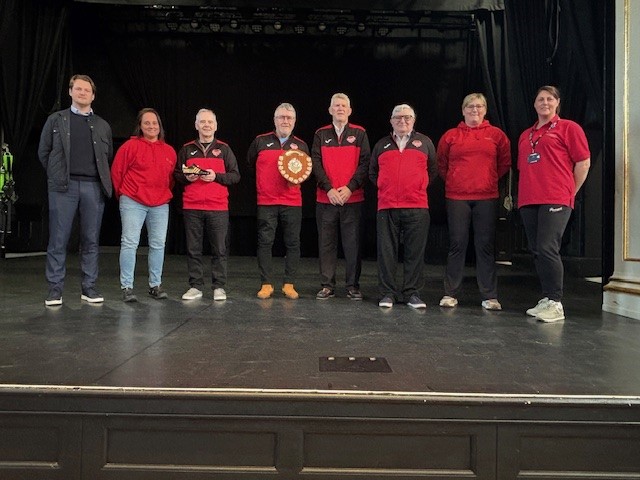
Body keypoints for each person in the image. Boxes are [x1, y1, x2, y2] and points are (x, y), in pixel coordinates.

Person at [38, 74, 113, 306]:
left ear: (93, 95)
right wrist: (56, 174)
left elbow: (107, 156)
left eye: (86, 90)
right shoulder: (56, 120)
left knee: (90, 239)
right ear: (70, 92)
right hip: (63, 186)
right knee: (58, 239)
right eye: (78, 89)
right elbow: (44, 152)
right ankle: (54, 290)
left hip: (92, 187)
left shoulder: (102, 125)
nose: (82, 93)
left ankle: (89, 288)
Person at [518, 85, 590, 322]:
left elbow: (583, 163)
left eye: (550, 99)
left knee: (548, 247)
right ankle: (547, 298)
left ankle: (556, 303)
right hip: (529, 198)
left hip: (555, 197)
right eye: (540, 99)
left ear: (557, 103)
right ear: (534, 104)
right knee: (538, 249)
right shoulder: (526, 134)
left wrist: (569, 191)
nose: (545, 103)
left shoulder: (569, 128)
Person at [437, 93, 511, 311]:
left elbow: (505, 163)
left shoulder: (496, 135)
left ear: (485, 110)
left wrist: (486, 180)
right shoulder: (450, 136)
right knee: (457, 244)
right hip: (457, 197)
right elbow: (442, 164)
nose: (474, 110)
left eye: (479, 106)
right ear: (463, 110)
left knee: (485, 246)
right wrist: (456, 180)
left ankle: (489, 296)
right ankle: (450, 293)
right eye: (470, 106)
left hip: (486, 197)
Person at [369, 104, 438, 309]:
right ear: (391, 121)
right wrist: (385, 186)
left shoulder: (424, 142)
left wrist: (419, 185)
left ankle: (412, 294)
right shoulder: (381, 145)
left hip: (417, 206)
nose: (403, 121)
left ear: (414, 120)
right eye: (398, 118)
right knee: (386, 252)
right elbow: (373, 173)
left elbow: (432, 170)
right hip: (387, 206)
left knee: (414, 252)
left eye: (407, 117)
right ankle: (387, 293)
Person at [110, 108, 177, 302]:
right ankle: (127, 287)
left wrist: (162, 194)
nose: (151, 126)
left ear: (160, 126)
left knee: (158, 244)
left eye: (155, 123)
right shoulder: (130, 146)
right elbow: (117, 172)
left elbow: (170, 179)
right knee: (130, 243)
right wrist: (123, 195)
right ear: (140, 126)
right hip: (133, 200)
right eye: (147, 123)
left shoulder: (169, 151)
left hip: (160, 203)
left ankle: (155, 285)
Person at [175, 109, 240, 301]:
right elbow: (177, 174)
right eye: (202, 122)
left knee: (219, 248)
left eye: (210, 122)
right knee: (193, 248)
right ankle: (195, 286)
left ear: (216, 125)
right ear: (196, 125)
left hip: (218, 207)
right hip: (192, 206)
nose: (206, 125)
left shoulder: (224, 149)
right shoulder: (187, 149)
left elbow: (235, 175)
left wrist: (216, 176)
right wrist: (187, 177)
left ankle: (219, 286)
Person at [247, 103, 310, 299]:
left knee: (293, 243)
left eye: (289, 118)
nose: (285, 121)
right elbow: (250, 164)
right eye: (281, 117)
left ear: (294, 121)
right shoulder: (260, 141)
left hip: (292, 202)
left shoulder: (301, 145)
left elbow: (305, 171)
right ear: (274, 120)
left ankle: (289, 284)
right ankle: (266, 284)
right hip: (266, 202)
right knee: (265, 242)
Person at [312, 93, 370, 301]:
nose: (340, 109)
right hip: (325, 199)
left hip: (352, 199)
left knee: (352, 244)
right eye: (336, 105)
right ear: (330, 110)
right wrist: (329, 189)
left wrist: (349, 188)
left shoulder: (360, 133)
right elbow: (315, 164)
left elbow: (365, 164)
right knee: (326, 243)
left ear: (349, 110)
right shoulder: (320, 134)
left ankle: (353, 286)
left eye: (343, 105)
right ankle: (327, 285)